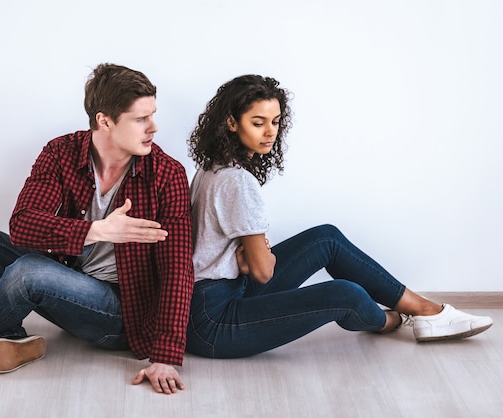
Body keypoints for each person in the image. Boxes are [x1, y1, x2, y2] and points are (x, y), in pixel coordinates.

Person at [0, 63, 194, 395]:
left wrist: (166, 356)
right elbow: (22, 224)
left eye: (152, 115)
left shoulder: (167, 174)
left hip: (122, 313)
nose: (154, 127)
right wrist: (97, 231)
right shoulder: (61, 153)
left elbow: (178, 268)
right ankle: (10, 339)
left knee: (28, 272)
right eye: (141, 119)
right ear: (104, 120)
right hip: (74, 280)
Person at [184, 74, 493, 359]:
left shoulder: (213, 166)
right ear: (232, 123)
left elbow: (243, 260)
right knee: (345, 294)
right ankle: (390, 321)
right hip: (214, 323)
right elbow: (263, 273)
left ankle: (426, 311)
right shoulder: (237, 181)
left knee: (326, 238)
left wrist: (249, 258)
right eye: (258, 122)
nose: (270, 132)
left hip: (212, 299)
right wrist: (259, 257)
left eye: (276, 121)